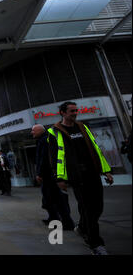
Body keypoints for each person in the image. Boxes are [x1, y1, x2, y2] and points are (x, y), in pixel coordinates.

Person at [47, 101, 113, 255]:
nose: (75, 113)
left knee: (98, 207)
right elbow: (56, 158)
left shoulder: (83, 127)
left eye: (76, 110)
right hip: (77, 176)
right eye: (72, 111)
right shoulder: (54, 132)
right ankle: (95, 244)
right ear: (63, 113)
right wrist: (60, 178)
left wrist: (106, 170)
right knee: (89, 209)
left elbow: (96, 148)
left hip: (93, 173)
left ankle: (82, 227)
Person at [31, 124, 74, 230]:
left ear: (40, 130)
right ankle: (54, 218)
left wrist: (40, 173)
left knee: (56, 199)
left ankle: (67, 222)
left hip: (49, 176)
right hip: (49, 175)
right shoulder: (43, 139)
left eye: (33, 130)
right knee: (48, 199)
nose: (32, 132)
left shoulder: (45, 140)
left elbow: (44, 158)